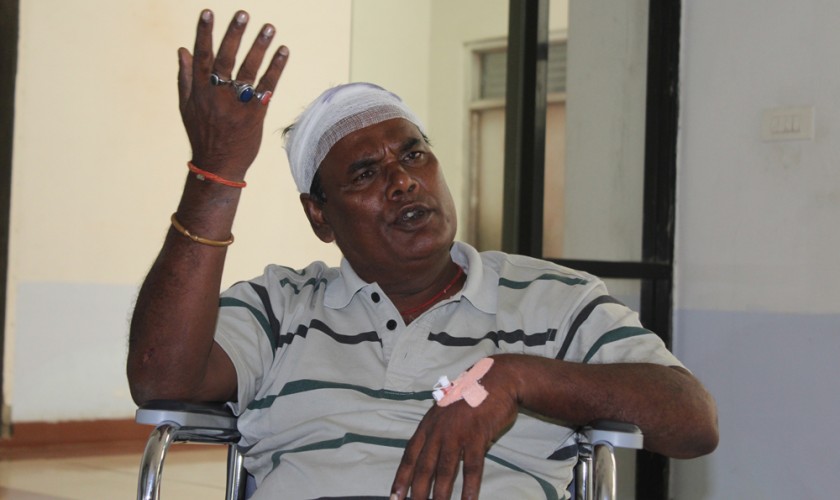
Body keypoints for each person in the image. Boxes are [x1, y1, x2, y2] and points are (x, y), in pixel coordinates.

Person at [127, 9, 718, 500]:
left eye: (413, 155)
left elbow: (692, 419)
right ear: (320, 216)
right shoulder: (281, 306)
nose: (403, 181)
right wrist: (216, 171)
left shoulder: (552, 300)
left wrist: (516, 378)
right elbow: (159, 377)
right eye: (366, 173)